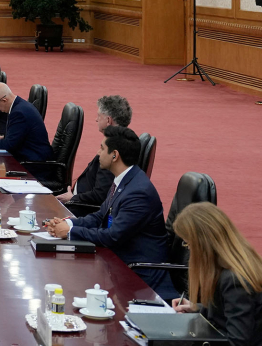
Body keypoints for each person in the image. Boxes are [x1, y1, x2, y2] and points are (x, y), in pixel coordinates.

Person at [44, 125, 172, 297]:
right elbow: (99, 217)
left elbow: (113, 236)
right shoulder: (124, 180)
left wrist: (70, 232)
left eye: (102, 148)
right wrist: (68, 223)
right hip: (119, 265)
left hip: (141, 279)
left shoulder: (138, 192)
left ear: (114, 155)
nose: (98, 153)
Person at [171, 203, 262, 346]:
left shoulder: (234, 280)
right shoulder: (237, 262)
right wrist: (198, 308)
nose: (188, 248)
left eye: (188, 243)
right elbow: (230, 315)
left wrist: (185, 342)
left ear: (203, 244)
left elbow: (237, 343)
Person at [58, 95, 131, 216]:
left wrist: (73, 198)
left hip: (82, 210)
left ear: (108, 120)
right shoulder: (120, 141)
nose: (96, 120)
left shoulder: (113, 151)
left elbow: (100, 195)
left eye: (99, 116)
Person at [0, 83, 54, 169]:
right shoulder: (19, 106)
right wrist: (4, 138)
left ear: (4, 100)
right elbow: (20, 137)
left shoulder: (19, 113)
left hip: (34, 165)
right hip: (28, 158)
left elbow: (9, 145)